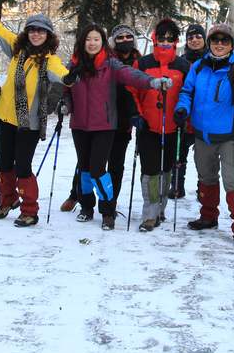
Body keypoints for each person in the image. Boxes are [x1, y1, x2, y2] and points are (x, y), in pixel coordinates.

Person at [174, 23, 234, 250]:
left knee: (232, 180)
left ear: (231, 45)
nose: (219, 44)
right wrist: (182, 109)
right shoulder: (198, 67)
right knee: (206, 177)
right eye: (215, 40)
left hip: (229, 136)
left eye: (224, 41)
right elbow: (187, 92)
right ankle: (208, 216)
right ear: (209, 43)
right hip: (202, 134)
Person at [0, 1, 67, 227]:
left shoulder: (50, 60)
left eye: (41, 31)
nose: (36, 34)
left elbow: (61, 74)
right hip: (7, 116)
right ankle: (7, 199)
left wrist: (70, 78)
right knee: (5, 162)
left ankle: (29, 210)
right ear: (27, 33)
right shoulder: (16, 50)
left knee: (23, 165)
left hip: (30, 123)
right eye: (32, 30)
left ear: (48, 35)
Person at [61, 24, 163, 229]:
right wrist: (65, 104)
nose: (92, 43)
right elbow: (66, 90)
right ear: (83, 42)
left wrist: (152, 82)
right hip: (80, 124)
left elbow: (131, 75)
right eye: (88, 39)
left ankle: (108, 210)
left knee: (98, 169)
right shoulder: (74, 65)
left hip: (104, 125)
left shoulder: (111, 64)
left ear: (102, 43)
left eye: (96, 39)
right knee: (84, 169)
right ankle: (86, 207)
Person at [130, 19, 192, 231]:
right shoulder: (144, 63)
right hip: (148, 126)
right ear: (155, 38)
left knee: (166, 170)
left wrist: (185, 116)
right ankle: (149, 213)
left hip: (173, 127)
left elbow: (188, 94)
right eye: (162, 37)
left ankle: (161, 208)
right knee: (150, 170)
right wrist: (136, 114)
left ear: (175, 41)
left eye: (170, 38)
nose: (165, 42)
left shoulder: (183, 66)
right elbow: (133, 89)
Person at [174, 23, 206, 198]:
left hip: (204, 115)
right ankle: (177, 186)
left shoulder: (212, 59)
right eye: (190, 37)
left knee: (204, 158)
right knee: (179, 153)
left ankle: (204, 189)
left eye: (198, 36)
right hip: (184, 114)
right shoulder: (181, 61)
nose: (194, 40)